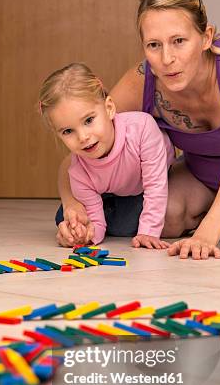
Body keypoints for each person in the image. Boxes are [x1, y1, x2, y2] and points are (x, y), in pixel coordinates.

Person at [56, 0, 220, 259]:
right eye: (153, 45)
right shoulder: (142, 80)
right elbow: (78, 155)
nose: (166, 59)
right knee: (165, 218)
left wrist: (206, 236)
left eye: (179, 41)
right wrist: (73, 205)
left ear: (206, 37)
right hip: (206, 172)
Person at [38, 62, 175, 248]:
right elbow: (96, 221)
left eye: (89, 120)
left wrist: (148, 233)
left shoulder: (142, 129)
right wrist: (88, 235)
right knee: (66, 216)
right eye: (68, 131)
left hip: (158, 178)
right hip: (117, 189)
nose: (83, 137)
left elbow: (155, 186)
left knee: (137, 217)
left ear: (109, 108)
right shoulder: (78, 172)